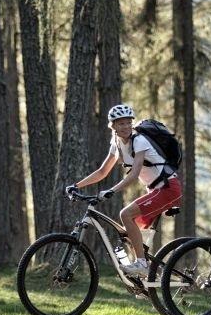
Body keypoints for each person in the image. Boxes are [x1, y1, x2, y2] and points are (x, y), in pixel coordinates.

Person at [67, 104, 183, 278]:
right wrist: (77, 185)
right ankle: (148, 274)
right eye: (121, 123)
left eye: (129, 122)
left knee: (125, 214)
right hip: (155, 191)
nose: (126, 126)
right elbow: (102, 172)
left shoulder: (139, 141)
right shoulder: (116, 143)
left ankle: (142, 264)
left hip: (168, 188)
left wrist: (112, 190)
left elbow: (134, 174)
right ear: (112, 126)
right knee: (129, 232)